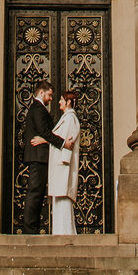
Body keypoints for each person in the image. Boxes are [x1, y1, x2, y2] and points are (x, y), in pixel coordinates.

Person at [16, 82, 55, 233]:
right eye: (49, 95)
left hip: (39, 156)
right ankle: (30, 229)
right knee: (35, 193)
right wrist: (63, 142)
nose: (50, 99)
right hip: (38, 156)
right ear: (41, 93)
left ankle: (32, 228)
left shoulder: (37, 108)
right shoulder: (38, 109)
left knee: (37, 193)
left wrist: (46, 139)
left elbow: (44, 134)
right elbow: (45, 131)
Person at [48, 90, 82, 235]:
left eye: (62, 99)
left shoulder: (70, 119)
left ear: (68, 102)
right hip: (61, 166)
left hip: (63, 166)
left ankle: (65, 233)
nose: (59, 102)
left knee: (63, 200)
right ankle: (61, 232)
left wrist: (63, 162)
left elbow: (66, 141)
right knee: (59, 201)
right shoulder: (66, 118)